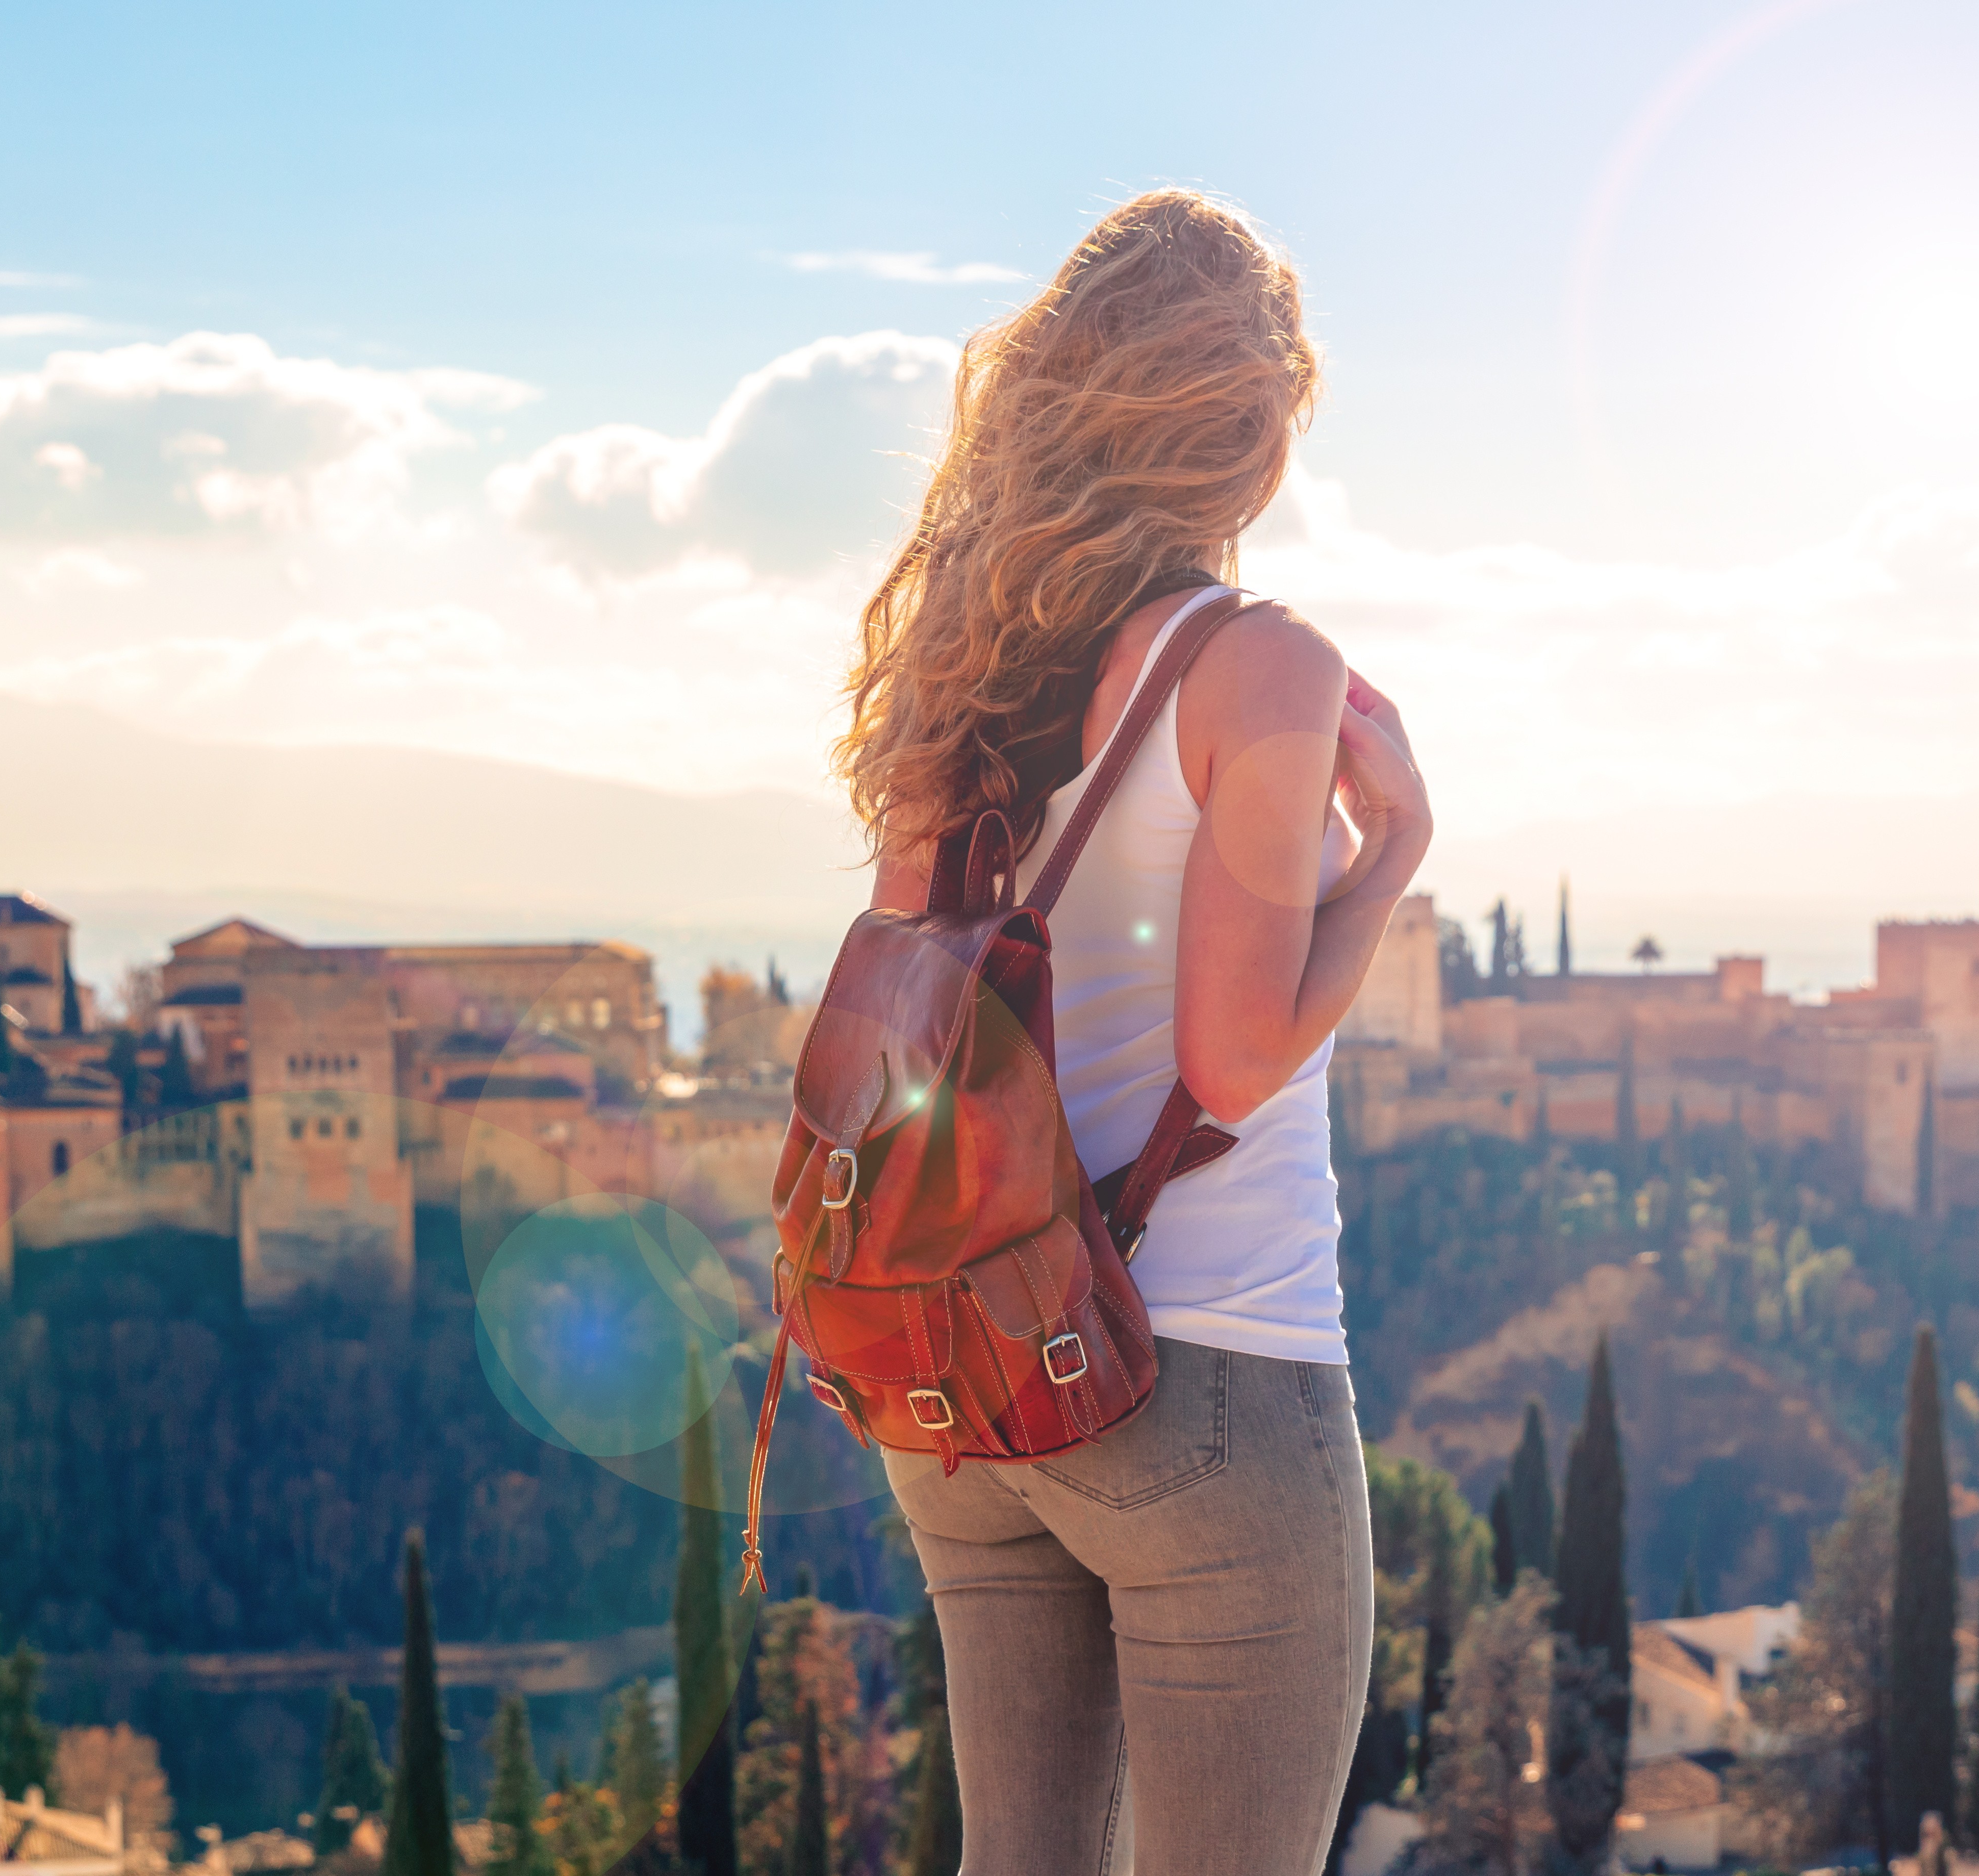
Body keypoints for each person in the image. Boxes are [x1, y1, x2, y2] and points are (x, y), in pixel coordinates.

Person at [833, 190, 1431, 1874]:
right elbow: (1235, 1062)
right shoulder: (1257, 666)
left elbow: (895, 1012)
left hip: (968, 1374)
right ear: (1245, 428)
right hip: (1205, 1381)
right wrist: (1389, 862)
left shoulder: (956, 686)